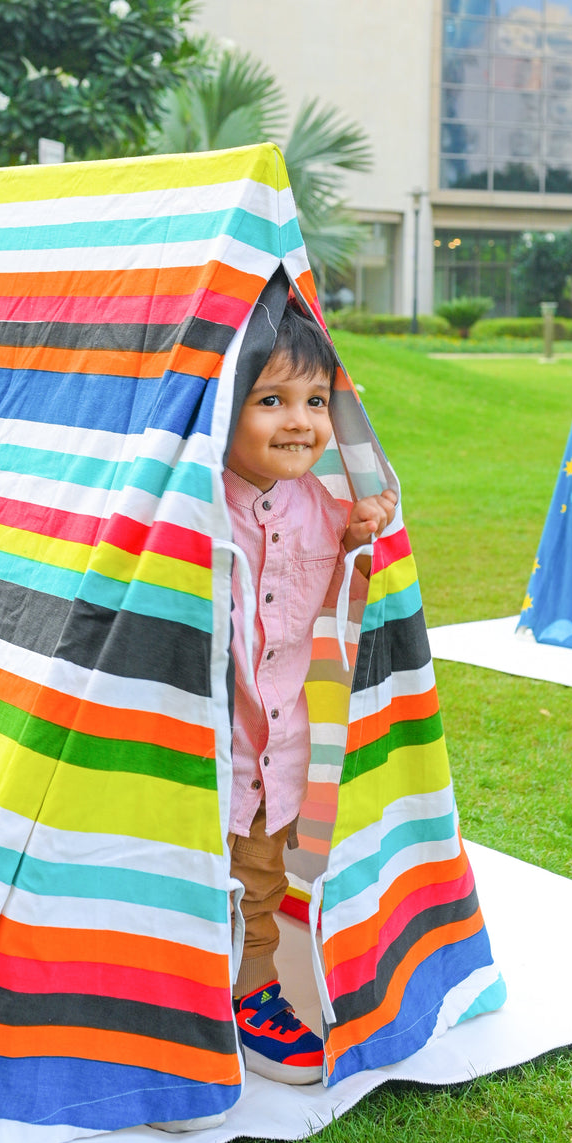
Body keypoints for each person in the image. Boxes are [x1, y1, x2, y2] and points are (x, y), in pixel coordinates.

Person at [222, 302, 396, 1086]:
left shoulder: (322, 512)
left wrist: (366, 531)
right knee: (185, 874)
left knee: (260, 875)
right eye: (271, 400)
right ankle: (180, 992)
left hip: (273, 751)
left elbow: (348, 577)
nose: (300, 422)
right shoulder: (190, 503)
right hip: (198, 750)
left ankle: (254, 989)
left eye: (316, 401)